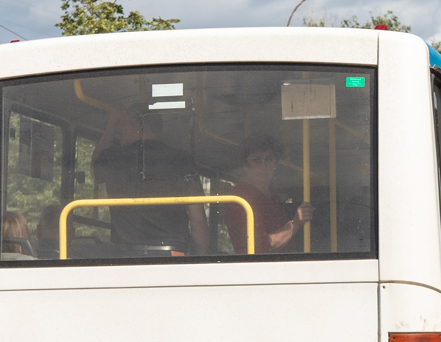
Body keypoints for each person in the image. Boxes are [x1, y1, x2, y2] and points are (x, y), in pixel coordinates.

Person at [92, 109, 209, 255]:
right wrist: (202, 255)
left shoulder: (114, 157)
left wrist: (111, 122)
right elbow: (198, 219)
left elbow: (94, 167)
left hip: (125, 257)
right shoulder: (181, 159)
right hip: (172, 255)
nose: (119, 129)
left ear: (136, 126)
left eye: (122, 124)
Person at [222, 133, 312, 254]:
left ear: (275, 164)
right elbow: (261, 247)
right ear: (245, 166)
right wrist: (296, 223)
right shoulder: (239, 199)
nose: (264, 167)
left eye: (268, 159)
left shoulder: (272, 192)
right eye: (256, 160)